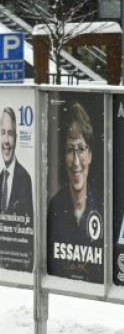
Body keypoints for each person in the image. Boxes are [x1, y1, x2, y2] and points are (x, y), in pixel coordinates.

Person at [47, 101, 102, 282]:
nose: (76, 162)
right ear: (64, 156)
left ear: (91, 154)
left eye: (81, 149)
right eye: (71, 150)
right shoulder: (54, 208)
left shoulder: (103, 207)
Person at [0, 107, 34, 271]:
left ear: (16, 139)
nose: (6, 141)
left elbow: (29, 231)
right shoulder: (0, 178)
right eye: (3, 132)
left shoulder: (25, 179)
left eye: (10, 134)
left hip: (18, 268)